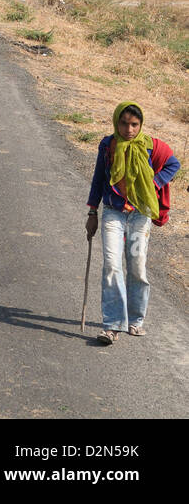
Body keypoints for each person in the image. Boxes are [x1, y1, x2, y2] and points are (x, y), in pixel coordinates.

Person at [85, 101, 179, 344]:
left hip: (140, 215)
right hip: (113, 214)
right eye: (124, 123)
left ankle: (135, 320)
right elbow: (98, 180)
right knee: (112, 265)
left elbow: (173, 164)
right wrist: (92, 212)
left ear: (141, 125)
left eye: (134, 124)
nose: (129, 129)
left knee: (136, 267)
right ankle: (112, 325)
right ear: (117, 123)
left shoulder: (151, 146)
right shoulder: (108, 145)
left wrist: (154, 184)